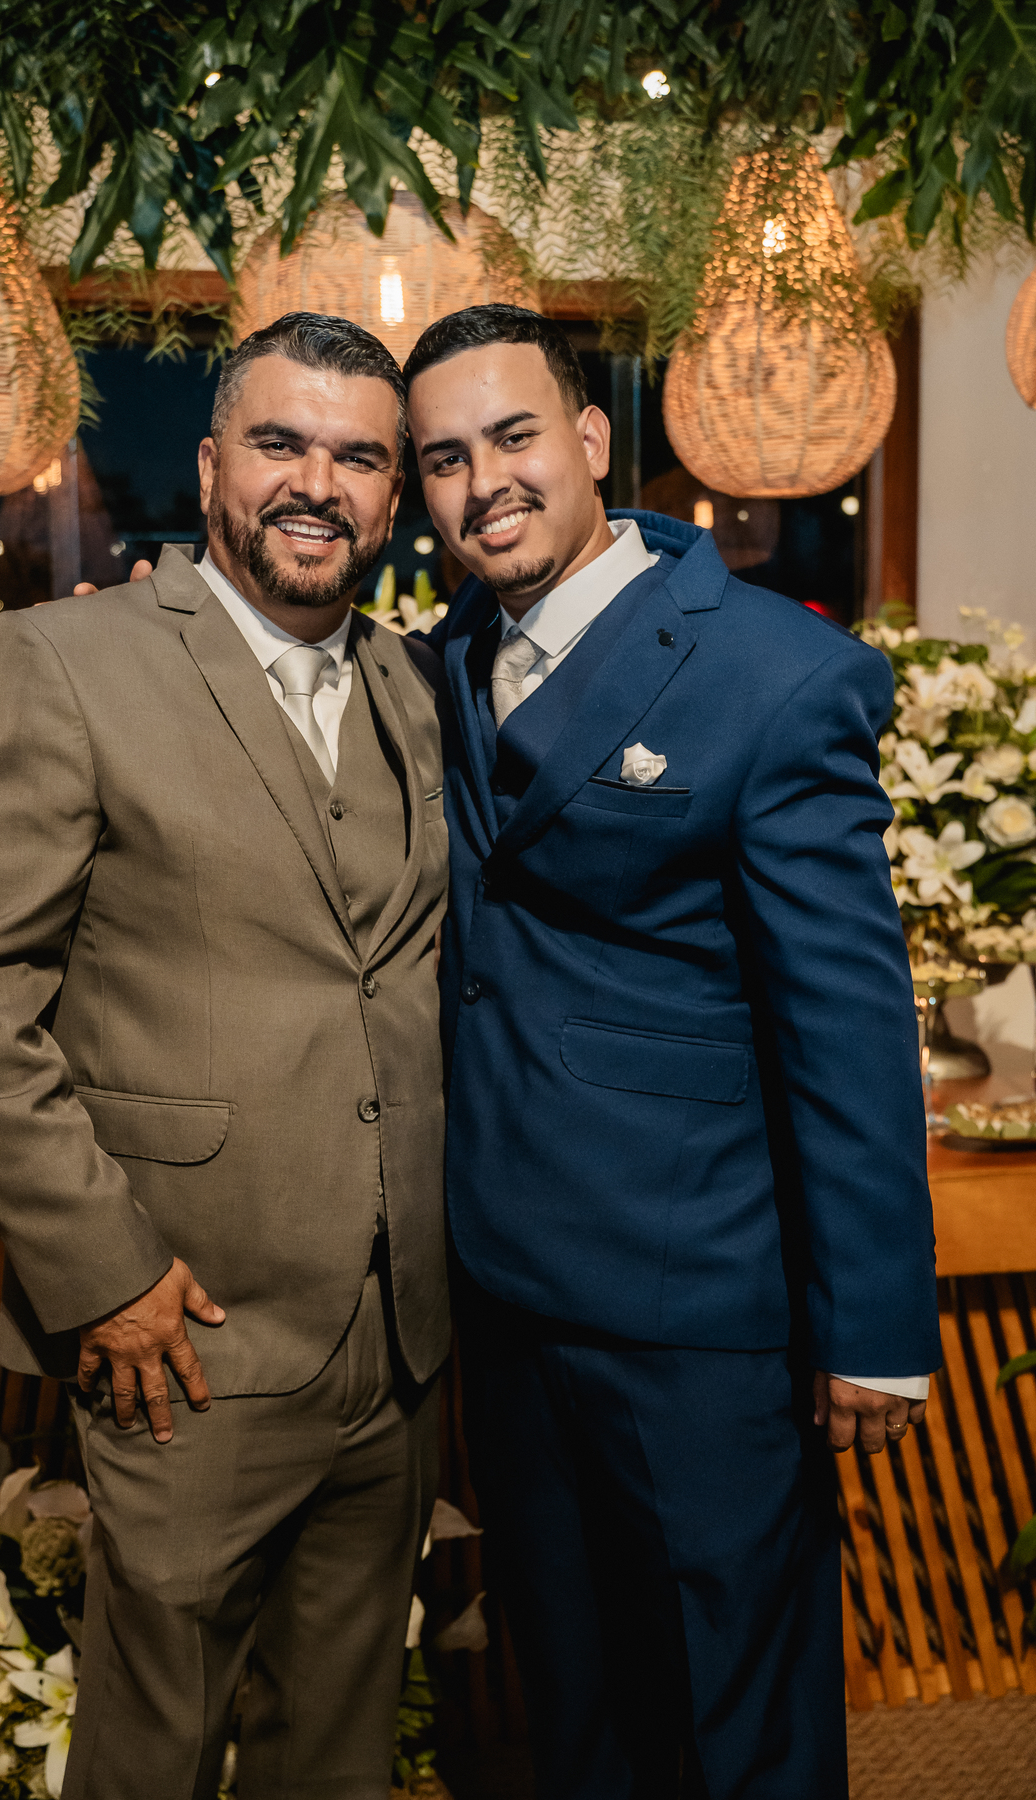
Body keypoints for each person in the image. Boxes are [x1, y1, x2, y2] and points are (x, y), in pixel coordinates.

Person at [0, 312, 451, 1800]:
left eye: (359, 458)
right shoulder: (58, 663)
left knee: (336, 1755)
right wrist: (106, 1275)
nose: (317, 484)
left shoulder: (417, 686)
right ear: (211, 468)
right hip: (185, 1336)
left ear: (394, 495)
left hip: (400, 1342)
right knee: (152, 1755)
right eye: (280, 443)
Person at [403, 304, 940, 1800]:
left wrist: (872, 1323)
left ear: (589, 440)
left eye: (514, 437)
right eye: (444, 458)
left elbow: (845, 1020)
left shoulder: (777, 675)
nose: (483, 483)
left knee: (732, 1719)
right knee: (575, 1709)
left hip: (698, 1310)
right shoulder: (448, 655)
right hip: (508, 1294)